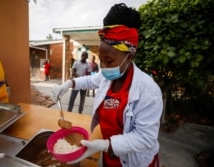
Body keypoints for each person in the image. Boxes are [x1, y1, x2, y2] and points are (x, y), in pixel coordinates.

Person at [52, 3, 162, 167]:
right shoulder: (107, 76)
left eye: (109, 61)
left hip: (135, 162)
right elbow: (90, 80)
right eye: (101, 60)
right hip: (109, 157)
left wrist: (106, 144)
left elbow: (145, 138)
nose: (103, 67)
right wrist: (69, 83)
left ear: (130, 56)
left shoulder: (148, 91)